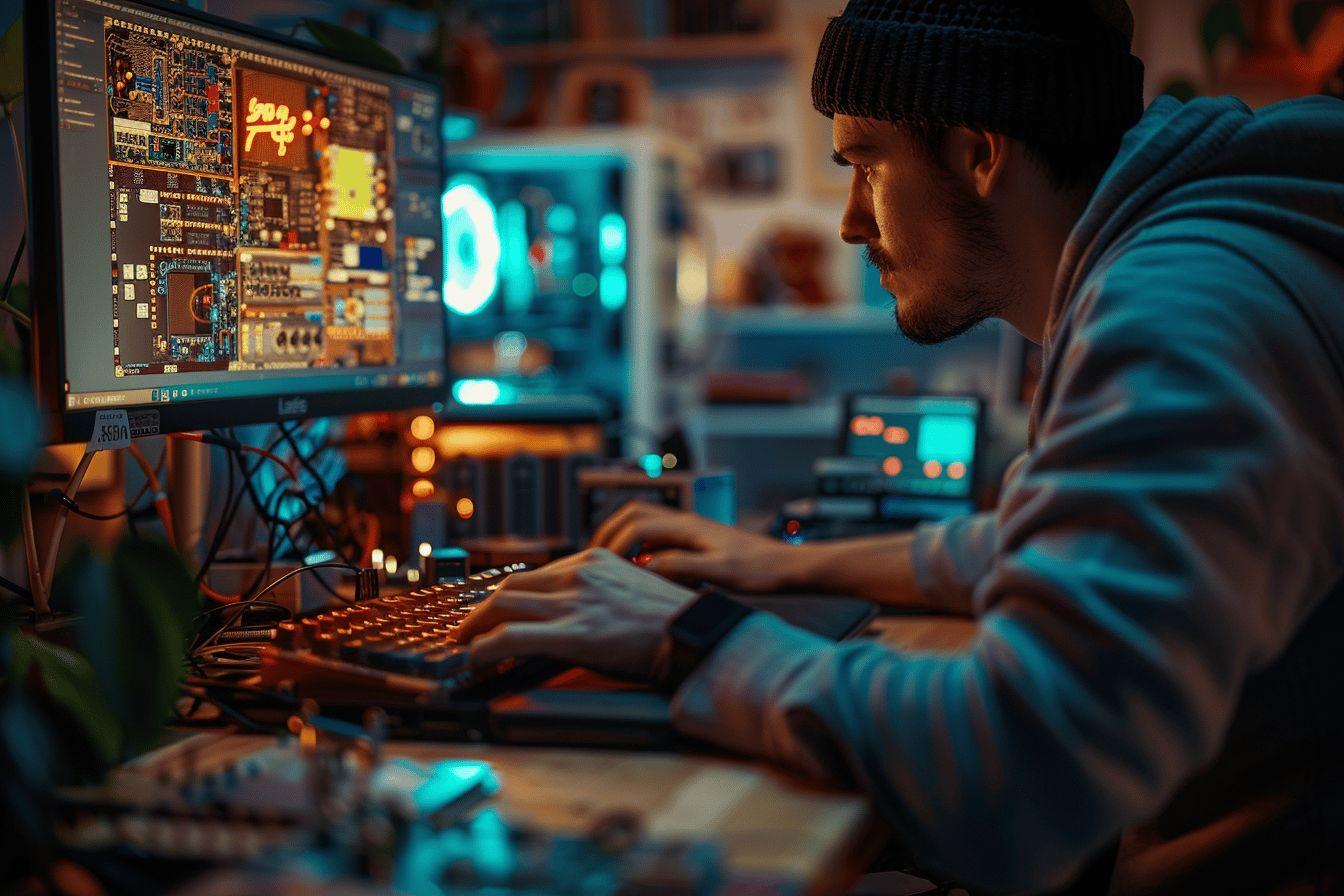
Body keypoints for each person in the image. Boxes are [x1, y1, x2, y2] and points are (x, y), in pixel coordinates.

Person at [457, 1, 1344, 892]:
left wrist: (686, 635)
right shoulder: (1204, 260)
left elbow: (1015, 773)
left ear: (979, 151)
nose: (850, 220)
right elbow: (1050, 541)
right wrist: (778, 565)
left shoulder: (1178, 310)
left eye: (865, 162)